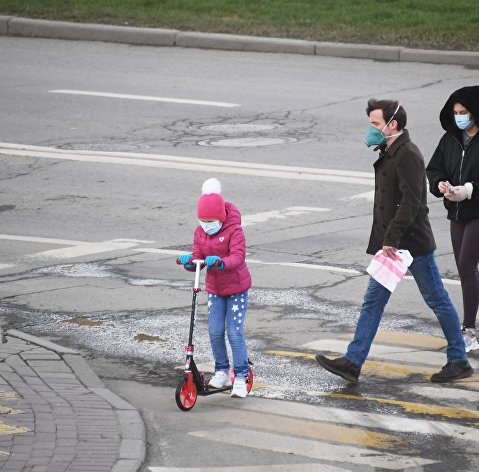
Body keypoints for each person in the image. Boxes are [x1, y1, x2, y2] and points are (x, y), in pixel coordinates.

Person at [315, 99, 473, 383]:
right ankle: (353, 361)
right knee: (372, 303)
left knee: (436, 299)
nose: (372, 129)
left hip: (410, 244)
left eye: (376, 124)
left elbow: (412, 202)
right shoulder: (391, 150)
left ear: (393, 124)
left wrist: (392, 238)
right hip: (393, 243)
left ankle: (459, 360)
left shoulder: (408, 154)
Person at [178, 177, 252, 398]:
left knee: (234, 332)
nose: (206, 224)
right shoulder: (200, 233)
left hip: (236, 288)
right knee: (215, 331)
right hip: (215, 289)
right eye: (203, 220)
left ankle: (240, 376)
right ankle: (221, 370)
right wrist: (190, 262)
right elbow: (198, 259)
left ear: (220, 218)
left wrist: (221, 262)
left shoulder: (234, 231)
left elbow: (238, 258)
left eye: (211, 220)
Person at [426, 86, 479, 353]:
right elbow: (434, 168)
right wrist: (441, 185)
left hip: (477, 211)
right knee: (463, 268)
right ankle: (469, 327)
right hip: (457, 212)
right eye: (456, 113)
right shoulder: (450, 139)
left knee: (467, 263)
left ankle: (469, 330)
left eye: (464, 112)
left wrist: (470, 190)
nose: (459, 117)